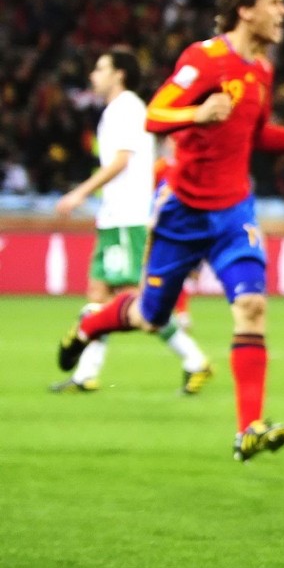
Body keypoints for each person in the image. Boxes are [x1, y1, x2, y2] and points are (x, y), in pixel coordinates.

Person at [57, 0, 284, 460]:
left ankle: (248, 428)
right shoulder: (205, 58)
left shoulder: (262, 70)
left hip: (234, 211)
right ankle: (88, 328)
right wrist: (196, 113)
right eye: (274, 2)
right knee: (151, 315)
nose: (283, 11)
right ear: (246, 10)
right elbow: (155, 114)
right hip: (183, 212)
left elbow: (257, 134)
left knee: (252, 306)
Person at [48, 48, 210, 394]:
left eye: (100, 68)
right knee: (99, 293)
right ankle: (86, 374)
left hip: (127, 218)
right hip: (116, 217)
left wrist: (80, 192)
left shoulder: (125, 109)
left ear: (119, 73)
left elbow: (121, 161)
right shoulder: (120, 109)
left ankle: (194, 360)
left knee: (139, 303)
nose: (93, 74)